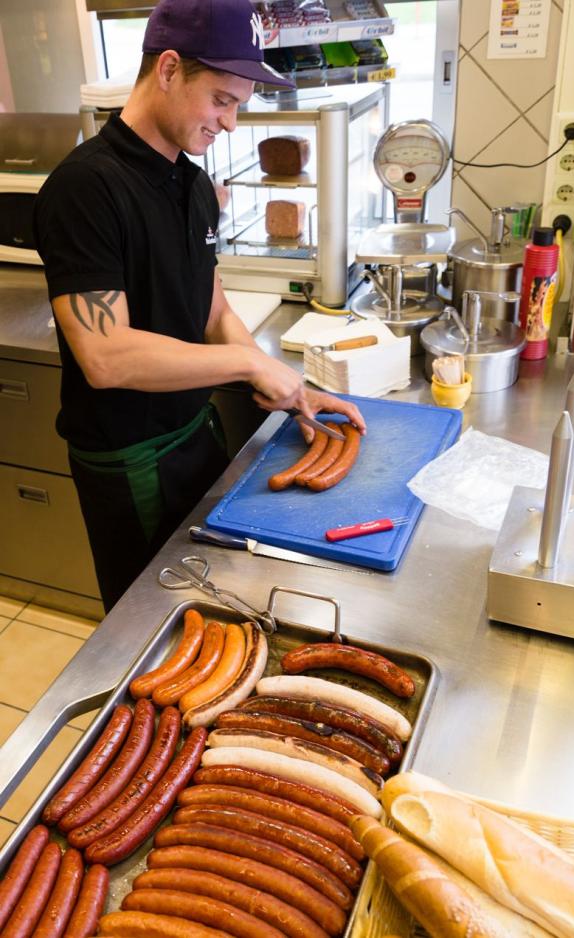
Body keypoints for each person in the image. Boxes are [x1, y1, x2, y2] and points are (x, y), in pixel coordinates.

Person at [33, 0, 365, 613]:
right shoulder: (86, 188)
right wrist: (248, 367)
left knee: (219, 606)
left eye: (239, 104)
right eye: (221, 99)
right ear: (166, 70)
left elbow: (212, 314)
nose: (232, 123)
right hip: (131, 460)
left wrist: (292, 388)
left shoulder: (192, 185)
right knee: (153, 627)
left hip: (195, 436)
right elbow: (105, 358)